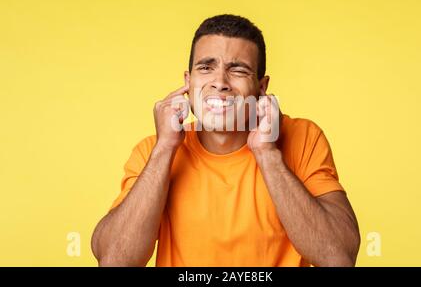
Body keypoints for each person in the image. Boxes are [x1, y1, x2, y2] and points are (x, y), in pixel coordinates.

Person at [91, 14, 360, 267]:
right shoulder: (154, 151)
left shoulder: (303, 138)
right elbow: (115, 259)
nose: (220, 82)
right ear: (188, 81)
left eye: (238, 70)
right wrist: (164, 149)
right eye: (206, 67)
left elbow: (338, 257)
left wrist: (267, 154)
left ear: (261, 87)